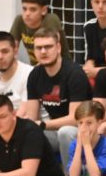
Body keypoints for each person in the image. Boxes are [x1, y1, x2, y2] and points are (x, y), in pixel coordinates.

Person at [23, 27, 91, 167]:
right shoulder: (34, 75)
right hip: (55, 130)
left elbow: (75, 119)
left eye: (48, 47)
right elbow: (32, 118)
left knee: (65, 132)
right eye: (39, 48)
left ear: (58, 48)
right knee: (24, 133)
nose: (43, 51)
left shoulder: (74, 74)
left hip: (83, 129)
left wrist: (43, 124)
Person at [10, 0, 70, 67]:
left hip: (60, 66)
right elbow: (10, 48)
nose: (27, 13)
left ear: (44, 10)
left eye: (33, 9)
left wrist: (32, 71)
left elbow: (54, 54)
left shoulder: (51, 19)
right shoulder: (19, 20)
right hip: (37, 67)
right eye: (24, 9)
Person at [83, 0, 106, 80]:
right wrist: (88, 67)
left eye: (105, 2)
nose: (100, 6)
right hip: (97, 77)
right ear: (91, 3)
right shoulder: (89, 26)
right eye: (97, 2)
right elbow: (90, 58)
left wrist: (96, 72)